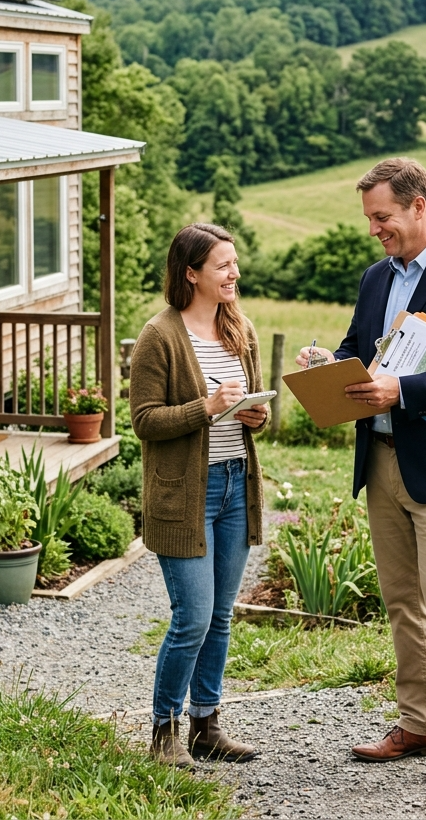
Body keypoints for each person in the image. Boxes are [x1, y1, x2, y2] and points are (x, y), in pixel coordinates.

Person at [297, 157, 426, 791]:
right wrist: (326, 363)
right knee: (401, 603)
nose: (374, 230)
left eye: (383, 217)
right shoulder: (375, 278)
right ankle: (420, 724)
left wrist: (403, 392)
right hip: (381, 461)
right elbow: (357, 349)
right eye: (369, 218)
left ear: (420, 206)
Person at [130, 222, 269, 768]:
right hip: (186, 493)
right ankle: (163, 732)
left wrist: (254, 415)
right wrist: (206, 409)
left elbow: (249, 417)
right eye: (223, 265)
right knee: (193, 616)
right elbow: (144, 421)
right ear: (191, 274)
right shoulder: (159, 337)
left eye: (235, 263)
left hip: (236, 483)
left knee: (222, 615)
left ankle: (206, 726)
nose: (234, 273)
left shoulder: (241, 329)